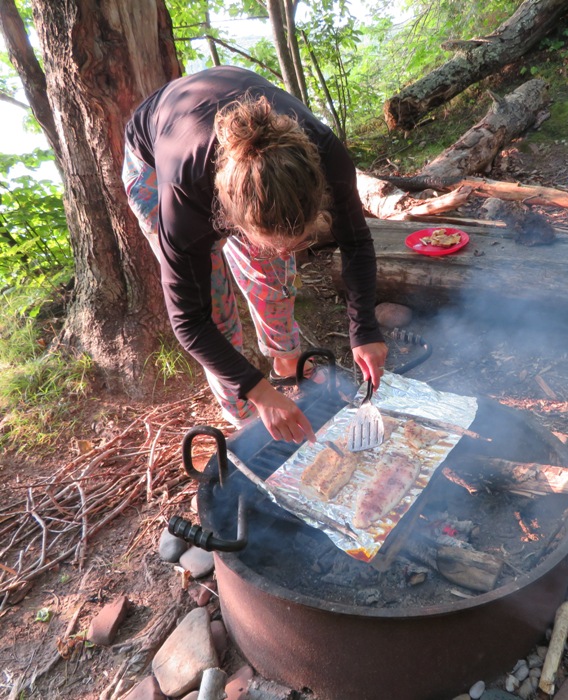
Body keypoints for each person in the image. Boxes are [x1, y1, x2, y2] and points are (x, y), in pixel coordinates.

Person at [122, 66, 387, 444]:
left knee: (273, 273)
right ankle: (247, 418)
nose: (285, 251)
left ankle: (286, 360)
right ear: (230, 220)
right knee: (216, 312)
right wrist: (258, 391)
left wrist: (365, 329)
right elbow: (190, 322)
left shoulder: (325, 154)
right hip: (152, 159)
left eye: (295, 240)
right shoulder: (183, 198)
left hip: (254, 152)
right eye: (272, 239)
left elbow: (357, 242)